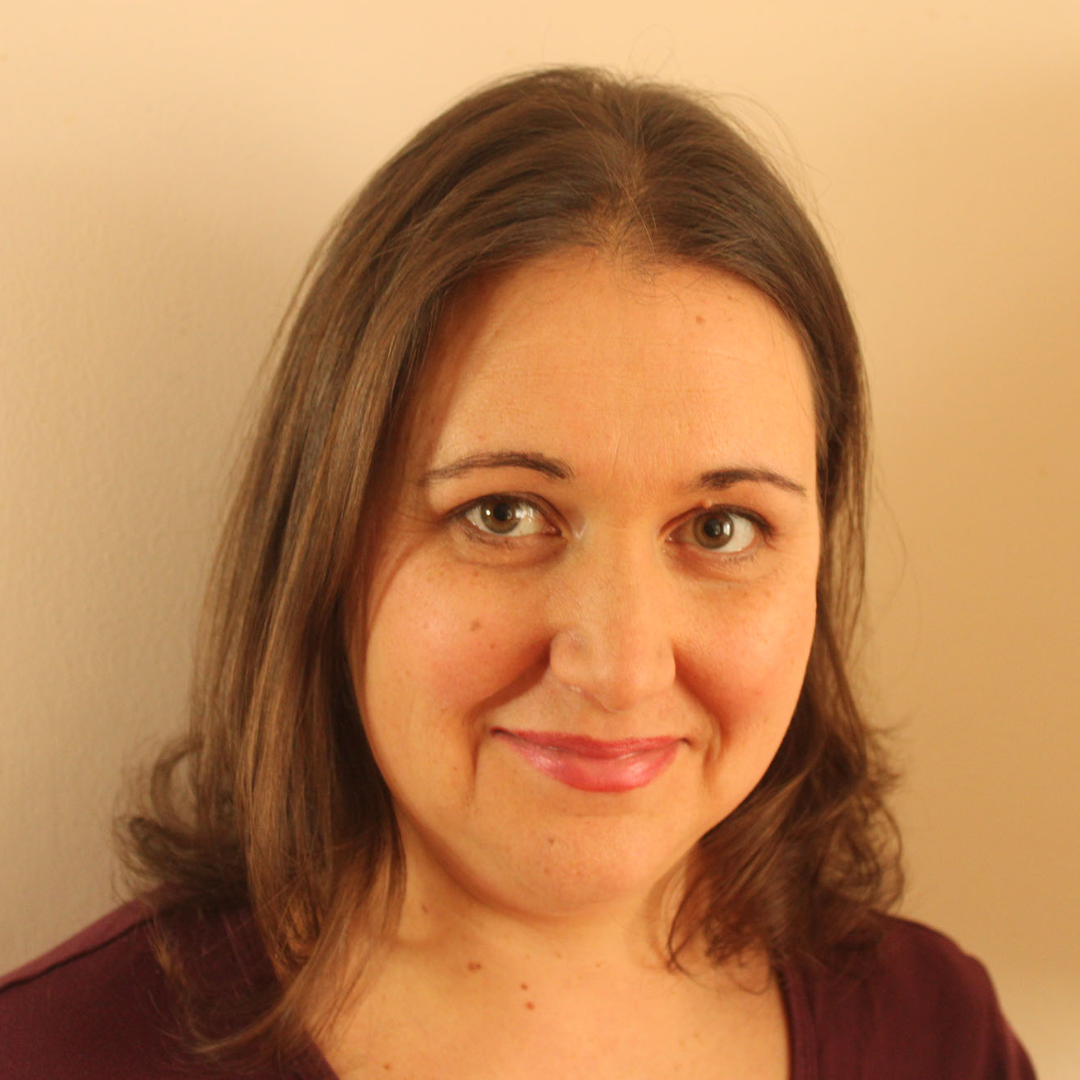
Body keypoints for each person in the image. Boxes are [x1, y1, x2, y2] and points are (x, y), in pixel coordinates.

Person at [0, 67, 1035, 1079]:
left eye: (721, 528)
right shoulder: (54, 1056)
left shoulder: (938, 1036)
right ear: (326, 539)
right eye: (502, 515)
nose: (622, 667)